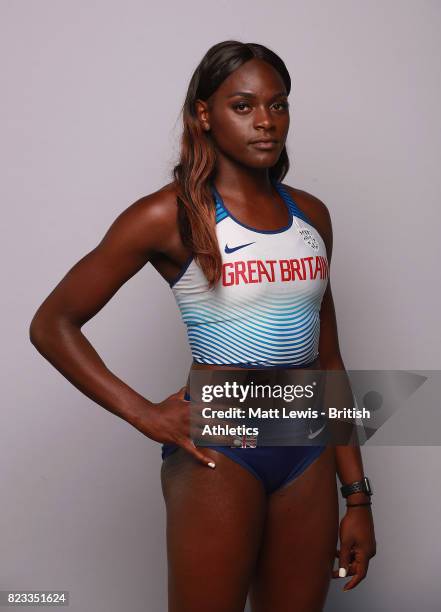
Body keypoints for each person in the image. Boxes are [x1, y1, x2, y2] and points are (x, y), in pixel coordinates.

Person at [29, 40, 376, 612]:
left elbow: (328, 360)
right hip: (222, 449)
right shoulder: (168, 215)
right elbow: (52, 324)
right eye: (243, 106)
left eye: (278, 104)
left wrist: (358, 496)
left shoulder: (311, 215)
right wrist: (145, 414)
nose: (265, 122)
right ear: (204, 115)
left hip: (305, 444)